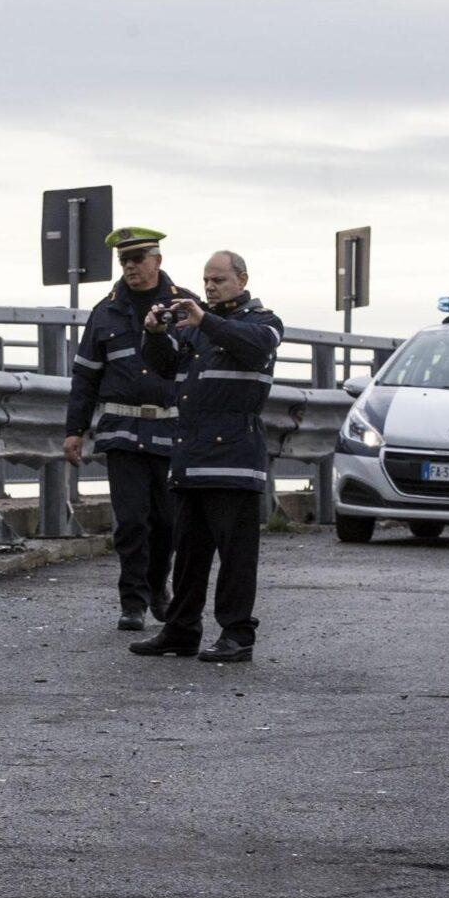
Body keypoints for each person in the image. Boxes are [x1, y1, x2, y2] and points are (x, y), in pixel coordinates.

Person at [129, 250, 283, 665]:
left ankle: (237, 635)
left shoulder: (262, 322)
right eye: (207, 281)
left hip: (234, 458)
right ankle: (181, 630)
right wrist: (155, 335)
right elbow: (163, 368)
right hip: (192, 455)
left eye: (219, 280)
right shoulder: (195, 328)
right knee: (189, 553)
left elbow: (253, 347)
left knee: (235, 556)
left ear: (242, 279)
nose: (211, 288)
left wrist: (204, 319)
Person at [64, 226, 196, 631]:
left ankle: (158, 586)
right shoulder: (106, 312)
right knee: (132, 520)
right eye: (124, 261)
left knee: (168, 524)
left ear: (157, 260)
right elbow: (85, 376)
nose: (131, 267)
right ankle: (133, 601)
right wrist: (75, 429)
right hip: (121, 430)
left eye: (138, 259)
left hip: (171, 432)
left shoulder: (185, 307)